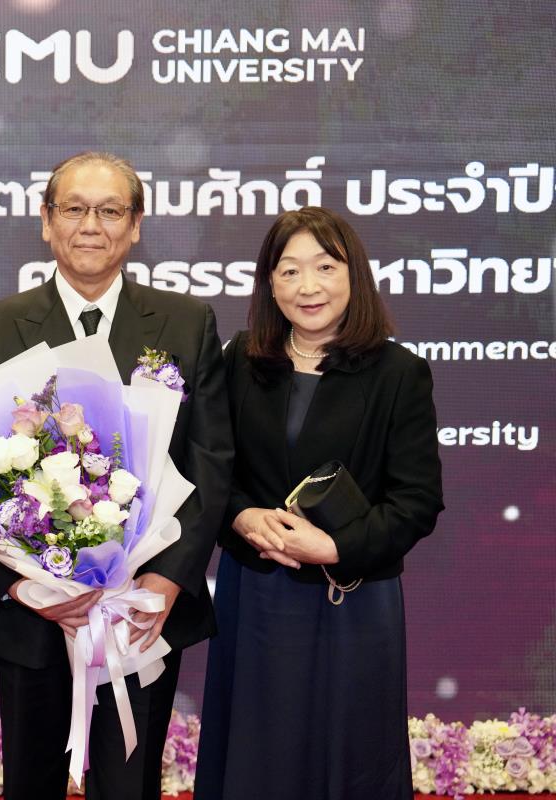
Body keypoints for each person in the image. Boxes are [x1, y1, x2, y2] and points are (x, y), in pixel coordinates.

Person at [0, 151, 233, 800]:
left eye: (110, 211)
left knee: (128, 784)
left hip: (141, 613)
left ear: (135, 225)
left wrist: (164, 581)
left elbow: (211, 460)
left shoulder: (185, 322)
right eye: (74, 209)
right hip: (36, 616)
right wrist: (28, 585)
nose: (91, 225)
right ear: (46, 221)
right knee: (31, 783)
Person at [194, 206, 445, 799]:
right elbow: (210, 471)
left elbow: (417, 500)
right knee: (257, 755)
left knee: (349, 758)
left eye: (325, 267)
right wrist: (241, 516)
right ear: (269, 283)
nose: (308, 286)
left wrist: (333, 546)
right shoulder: (241, 360)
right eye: (289, 271)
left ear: (353, 274)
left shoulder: (398, 373)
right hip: (256, 590)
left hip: (350, 597)